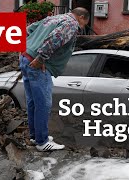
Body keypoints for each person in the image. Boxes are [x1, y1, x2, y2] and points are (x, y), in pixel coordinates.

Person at [19, 7, 90, 151]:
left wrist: (28, 48)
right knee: (43, 103)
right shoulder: (71, 24)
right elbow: (55, 39)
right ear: (81, 17)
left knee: (33, 101)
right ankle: (42, 142)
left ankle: (35, 136)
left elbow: (29, 29)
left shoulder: (54, 18)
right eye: (84, 24)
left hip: (25, 58)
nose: (81, 28)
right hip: (36, 64)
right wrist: (41, 58)